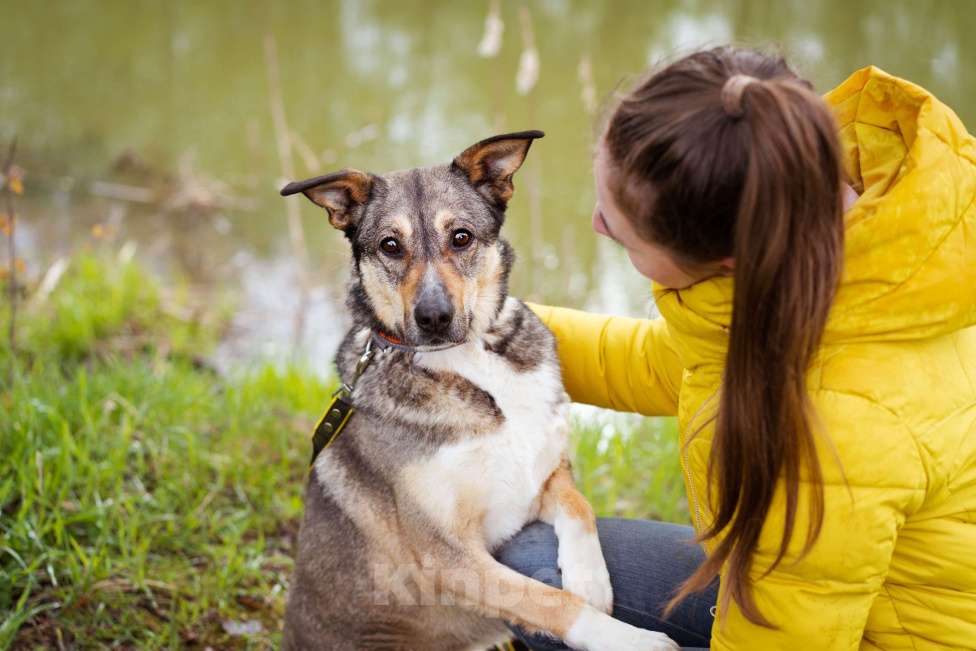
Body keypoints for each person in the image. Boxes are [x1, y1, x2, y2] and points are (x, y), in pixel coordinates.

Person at [493, 45, 976, 649]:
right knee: (530, 554)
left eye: (620, 232)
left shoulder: (830, 437)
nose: (595, 223)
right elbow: (656, 362)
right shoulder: (841, 247)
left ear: (722, 261)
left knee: (530, 578)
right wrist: (490, 326)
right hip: (818, 598)